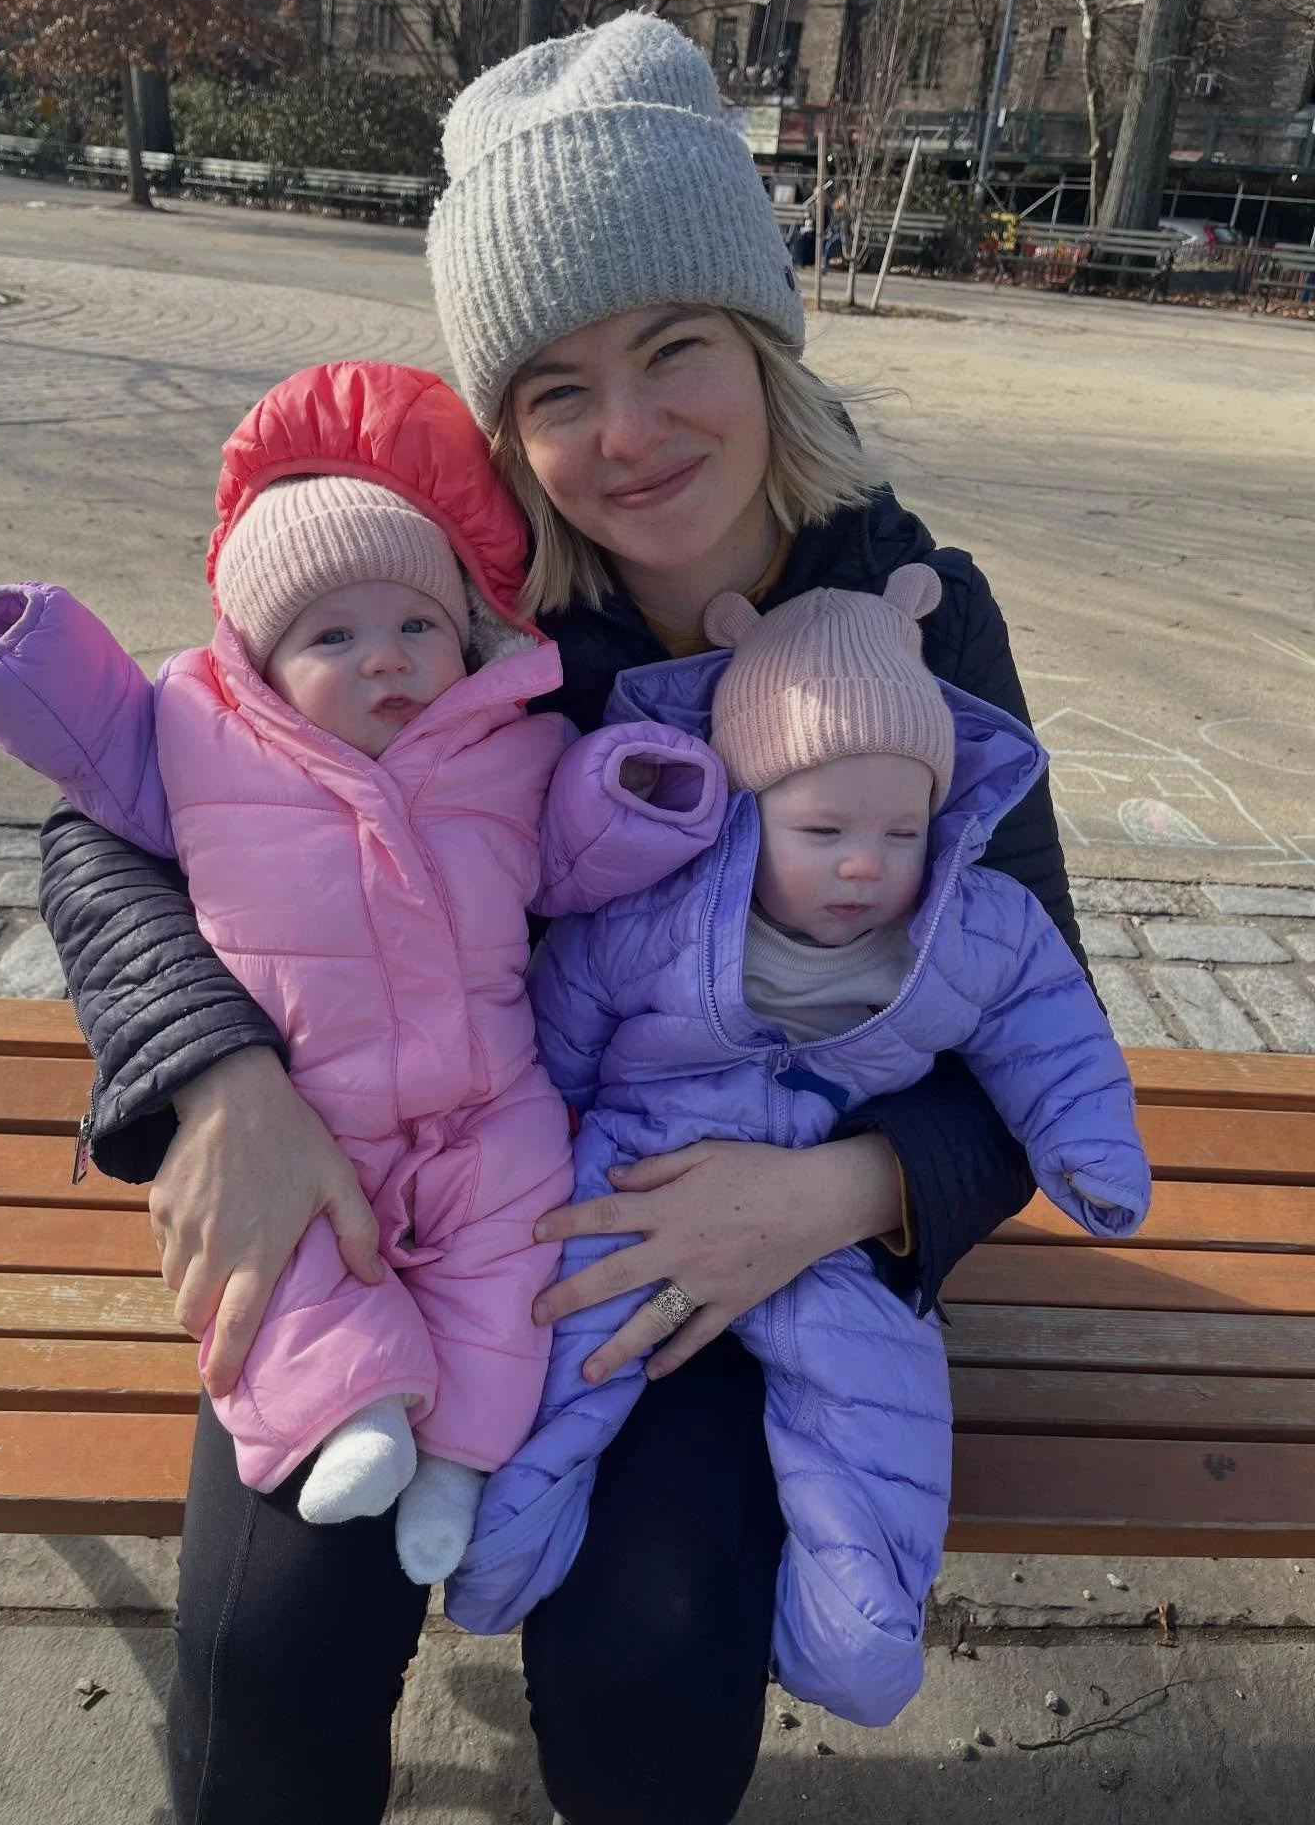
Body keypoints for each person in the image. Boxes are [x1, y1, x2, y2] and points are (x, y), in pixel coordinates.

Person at [34, 12, 1088, 1825]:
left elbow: (1033, 1010)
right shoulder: (455, 620)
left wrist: (839, 1194)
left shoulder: (918, 616)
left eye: (675, 349)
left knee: (654, 1639)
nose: (630, 432)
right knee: (272, 1638)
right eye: (555, 389)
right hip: (405, 1210)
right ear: (508, 431)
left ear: (763, 345)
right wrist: (219, 1079)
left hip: (731, 1249)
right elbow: (121, 812)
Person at [0, 359, 725, 1583]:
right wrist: (20, 654)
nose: (387, 659)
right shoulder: (206, 746)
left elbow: (574, 848)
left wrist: (648, 796)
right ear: (260, 655)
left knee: (518, 1261)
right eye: (332, 636)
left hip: (488, 1106)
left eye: (416, 624)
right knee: (287, 1271)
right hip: (311, 1116)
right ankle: (353, 1415)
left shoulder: (509, 748)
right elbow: (94, 752)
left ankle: (460, 1461)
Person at [449, 570, 1149, 1726]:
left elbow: (1051, 1023)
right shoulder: (660, 910)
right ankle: (506, 1538)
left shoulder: (966, 925)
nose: (865, 865)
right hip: (640, 1171)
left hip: (834, 1223)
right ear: (746, 810)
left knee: (873, 1392)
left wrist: (1092, 1153)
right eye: (822, 831)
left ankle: (857, 1623)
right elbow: (565, 1010)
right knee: (577, 1345)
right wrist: (549, 1127)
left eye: (900, 831)